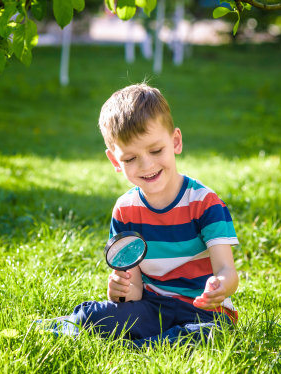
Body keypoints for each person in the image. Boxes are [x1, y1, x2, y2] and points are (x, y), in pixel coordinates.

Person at [68, 83, 239, 345]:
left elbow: (227, 270)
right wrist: (120, 292)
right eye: (130, 158)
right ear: (115, 162)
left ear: (176, 141)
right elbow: (134, 290)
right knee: (91, 317)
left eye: (156, 150)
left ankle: (148, 345)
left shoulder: (205, 202)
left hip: (203, 312)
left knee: (209, 335)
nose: (146, 165)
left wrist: (220, 286)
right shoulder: (125, 210)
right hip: (153, 308)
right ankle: (155, 341)